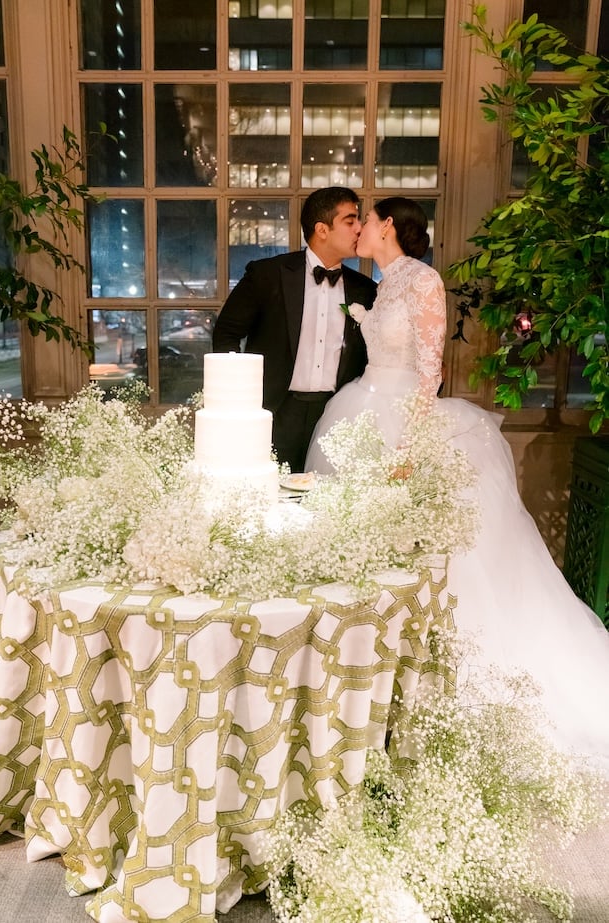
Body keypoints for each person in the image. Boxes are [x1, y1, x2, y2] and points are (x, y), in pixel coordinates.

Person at [305, 195, 609, 775]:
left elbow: (430, 369)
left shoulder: (423, 280)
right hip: (361, 405)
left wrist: (411, 441)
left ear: (388, 226)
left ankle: (444, 683)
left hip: (405, 416)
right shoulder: (382, 284)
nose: (359, 228)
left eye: (366, 220)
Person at [213, 186, 377, 473]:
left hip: (336, 414)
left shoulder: (365, 289)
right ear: (322, 229)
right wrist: (239, 397)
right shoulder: (267, 274)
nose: (359, 229)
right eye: (350, 221)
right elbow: (226, 333)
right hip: (275, 410)